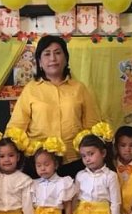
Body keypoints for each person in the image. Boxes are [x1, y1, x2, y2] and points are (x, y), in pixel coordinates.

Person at [7, 35, 101, 176]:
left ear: (66, 58)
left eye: (57, 53)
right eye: (47, 54)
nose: (53, 58)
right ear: (39, 62)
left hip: (74, 161)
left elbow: (92, 125)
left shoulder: (79, 88)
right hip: (39, 164)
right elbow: (16, 127)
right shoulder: (31, 89)